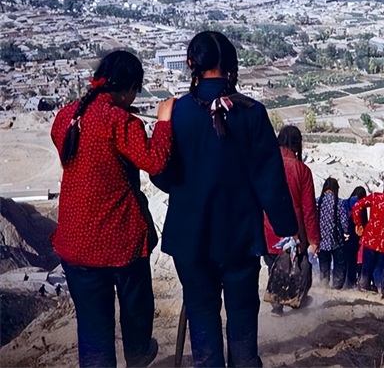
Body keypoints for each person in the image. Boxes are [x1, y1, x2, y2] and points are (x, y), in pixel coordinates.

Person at [150, 31, 297, 367]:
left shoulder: (176, 114)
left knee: (202, 313)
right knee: (242, 315)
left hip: (191, 238)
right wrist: (287, 228)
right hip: (240, 237)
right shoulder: (253, 113)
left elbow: (161, 175)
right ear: (231, 65)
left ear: (191, 63)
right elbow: (270, 180)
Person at [51, 50, 174, 368]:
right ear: (129, 88)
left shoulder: (67, 116)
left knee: (94, 331)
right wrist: (164, 123)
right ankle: (138, 354)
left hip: (76, 244)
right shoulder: (120, 122)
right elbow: (154, 162)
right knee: (136, 312)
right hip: (119, 242)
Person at [263, 125, 320, 313]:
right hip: (293, 232)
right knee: (299, 268)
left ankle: (276, 304)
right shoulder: (302, 170)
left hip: (268, 230)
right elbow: (309, 209)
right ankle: (296, 300)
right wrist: (313, 239)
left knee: (274, 267)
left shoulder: (266, 165)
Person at [316, 178, 347, 289]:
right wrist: (346, 232)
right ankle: (337, 285)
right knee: (339, 263)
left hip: (321, 240)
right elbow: (344, 221)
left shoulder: (317, 201)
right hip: (336, 239)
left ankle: (324, 283)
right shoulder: (339, 203)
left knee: (324, 263)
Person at [343, 186, 367, 289]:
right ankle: (350, 283)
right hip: (355, 237)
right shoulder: (361, 205)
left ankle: (342, 282)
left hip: (344, 235)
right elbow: (364, 223)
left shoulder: (345, 202)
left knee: (344, 260)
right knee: (352, 261)